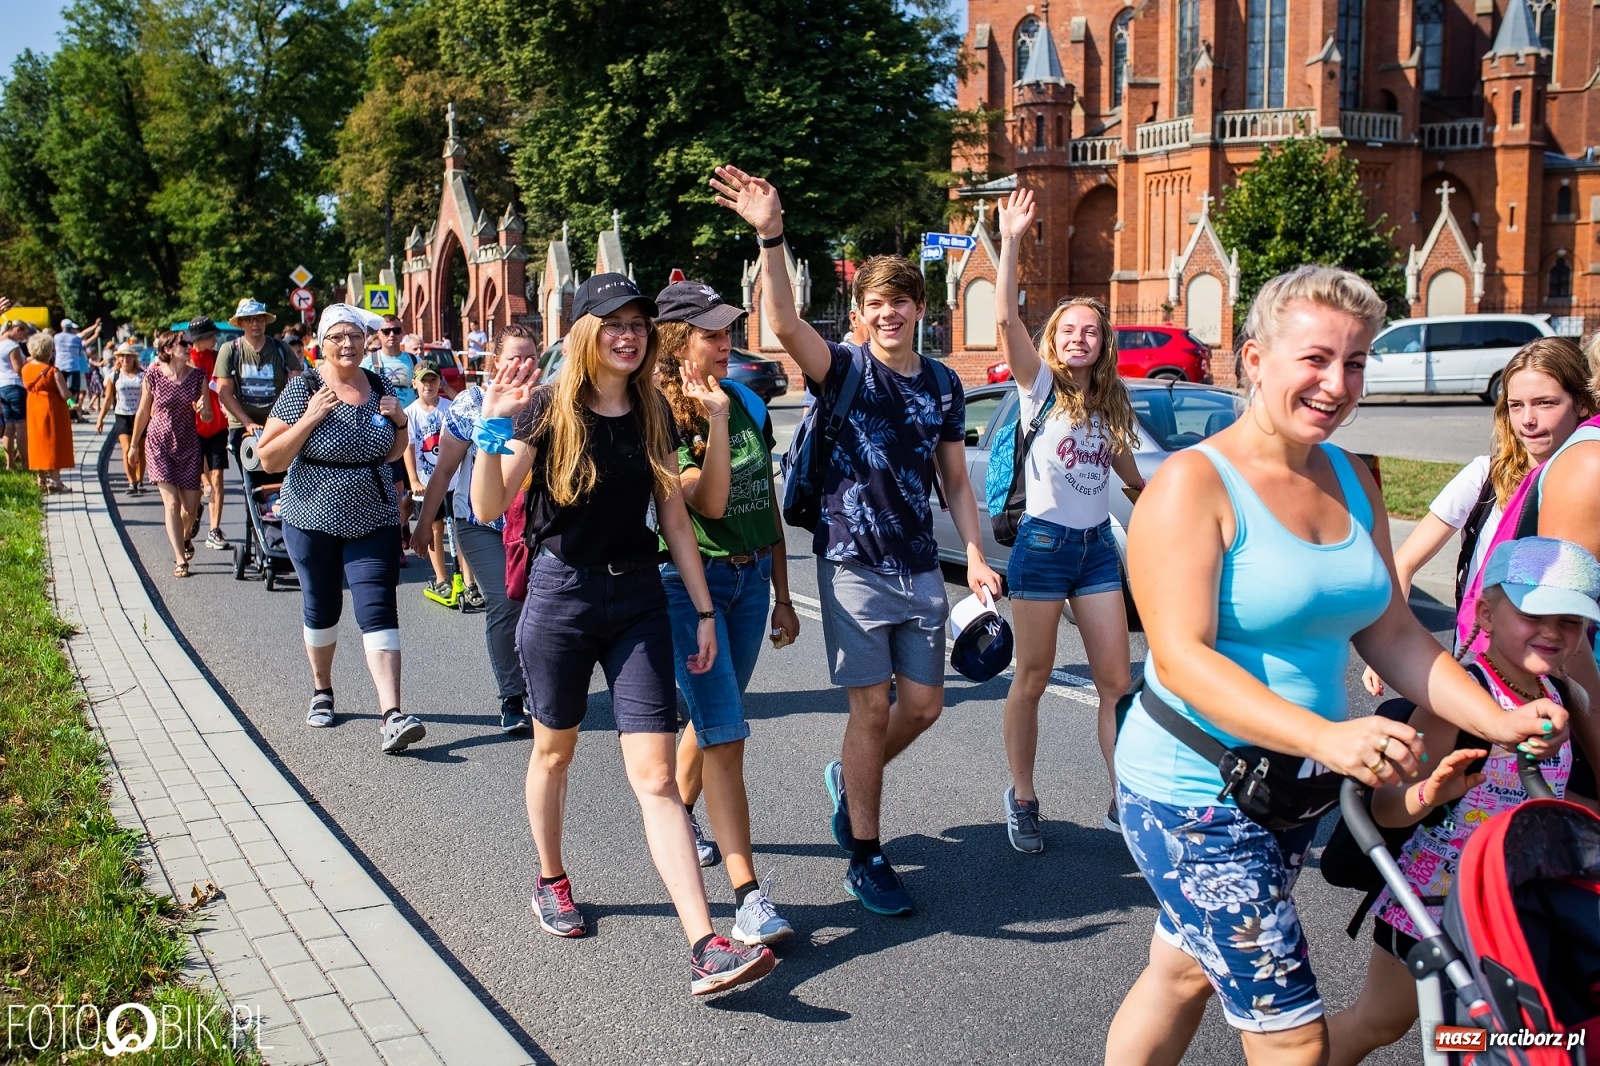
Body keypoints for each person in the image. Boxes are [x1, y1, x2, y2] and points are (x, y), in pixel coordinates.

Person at [1106, 265, 1569, 1066]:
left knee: (1180, 973)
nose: (1336, 383)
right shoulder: (1189, 485)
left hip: (1288, 785)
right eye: (1315, 359)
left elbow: (1390, 630)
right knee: (1296, 1041)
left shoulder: (1353, 477)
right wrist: (1328, 738)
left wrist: (1498, 717)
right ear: (1254, 361)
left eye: (1354, 362)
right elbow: (1180, 659)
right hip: (1196, 792)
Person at [470, 273, 777, 996]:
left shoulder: (650, 415)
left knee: (660, 776)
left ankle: (706, 944)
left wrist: (702, 610)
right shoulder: (545, 410)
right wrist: (491, 425)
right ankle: (550, 878)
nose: (628, 333)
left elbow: (676, 518)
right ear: (584, 331)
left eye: (638, 322)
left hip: (638, 597)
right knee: (555, 750)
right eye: (613, 321)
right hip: (562, 595)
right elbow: (489, 501)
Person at [713, 164, 1003, 917]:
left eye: (900, 303)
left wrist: (971, 552)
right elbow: (781, 326)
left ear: (918, 308)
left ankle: (850, 778)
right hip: (850, 563)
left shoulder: (943, 384)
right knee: (870, 711)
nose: (889, 315)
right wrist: (771, 236)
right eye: (876, 304)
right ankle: (867, 855)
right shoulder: (841, 369)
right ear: (862, 311)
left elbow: (955, 482)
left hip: (918, 568)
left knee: (927, 706)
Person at [1326, 535, 1599, 1066]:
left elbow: (1567, 796)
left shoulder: (1564, 697)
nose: (1552, 632)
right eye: (1533, 614)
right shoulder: (1459, 699)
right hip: (1431, 899)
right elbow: (1383, 809)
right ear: (1487, 615)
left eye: (1569, 621)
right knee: (1382, 1021)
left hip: (1510, 898)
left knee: (1494, 1032)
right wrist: (1432, 792)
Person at [992, 187, 1146, 850]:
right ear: (1054, 341)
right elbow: (1004, 321)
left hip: (1096, 552)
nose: (1079, 338)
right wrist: (1011, 243)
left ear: (1102, 343)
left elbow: (1133, 479)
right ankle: (1022, 797)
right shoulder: (1040, 388)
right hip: (1043, 547)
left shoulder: (1109, 405)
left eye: (1091, 331)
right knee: (1031, 678)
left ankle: (1125, 799)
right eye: (1068, 330)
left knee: (1117, 682)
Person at [654, 279, 800, 945]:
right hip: (691, 588)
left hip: (749, 584)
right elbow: (707, 505)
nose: (725, 343)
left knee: (716, 721)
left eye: (726, 331)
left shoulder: (745, 399)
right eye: (711, 334)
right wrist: (710, 419)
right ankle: (746, 898)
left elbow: (760, 501)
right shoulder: (659, 412)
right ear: (678, 341)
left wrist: (784, 593)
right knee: (726, 732)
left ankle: (674, 815)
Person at [1363, 337, 1594, 695]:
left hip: (1566, 675)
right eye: (1516, 405)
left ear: (1580, 404)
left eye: (1545, 403)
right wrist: (1382, 647)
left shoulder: (1589, 481)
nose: (1528, 420)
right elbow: (1404, 563)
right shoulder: (1484, 476)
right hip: (1482, 674)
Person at [255, 304, 425, 755]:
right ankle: (322, 690)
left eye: (353, 336)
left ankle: (392, 715)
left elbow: (392, 454)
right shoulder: (303, 388)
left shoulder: (382, 386)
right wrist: (311, 416)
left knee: (378, 607)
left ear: (365, 341)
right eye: (337, 337)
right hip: (311, 515)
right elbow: (269, 459)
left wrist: (401, 422)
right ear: (321, 343)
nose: (347, 345)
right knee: (322, 605)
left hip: (373, 514)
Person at [412, 326, 537, 734]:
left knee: (540, 606)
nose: (522, 366)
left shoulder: (546, 403)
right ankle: (511, 698)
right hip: (480, 524)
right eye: (514, 358)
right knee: (505, 600)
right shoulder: (471, 404)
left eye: (530, 358)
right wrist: (423, 523)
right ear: (495, 362)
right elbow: (445, 469)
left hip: (533, 527)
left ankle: (541, 686)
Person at [131, 331, 213, 576]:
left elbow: (207, 416)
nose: (189, 347)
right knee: (172, 503)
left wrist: (203, 409)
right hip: (158, 444)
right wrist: (134, 444)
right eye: (183, 344)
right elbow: (144, 411)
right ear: (167, 349)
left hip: (188, 444)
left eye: (189, 343)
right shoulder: (153, 375)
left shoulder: (198, 376)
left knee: (189, 508)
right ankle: (180, 559)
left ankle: (186, 535)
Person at [215, 298, 304, 462]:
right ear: (241, 323)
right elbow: (224, 392)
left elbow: (297, 381)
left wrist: (286, 413)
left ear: (265, 321)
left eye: (259, 318)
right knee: (250, 476)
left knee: (279, 473)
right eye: (249, 319)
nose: (255, 323)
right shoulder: (230, 350)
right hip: (242, 422)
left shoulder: (280, 348)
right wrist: (248, 423)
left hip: (276, 420)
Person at [362, 314, 417, 563]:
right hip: (388, 431)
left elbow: (431, 387)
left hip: (414, 429)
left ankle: (403, 525)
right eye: (386, 331)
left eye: (396, 330)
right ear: (379, 335)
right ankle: (395, 543)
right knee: (397, 490)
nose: (392, 335)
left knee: (413, 493)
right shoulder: (369, 362)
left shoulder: (413, 360)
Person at [403, 361, 458, 607]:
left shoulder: (449, 407)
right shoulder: (410, 413)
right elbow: (409, 446)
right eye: (423, 381)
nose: (429, 385)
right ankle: (441, 578)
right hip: (426, 480)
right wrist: (413, 479)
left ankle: (467, 581)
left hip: (454, 480)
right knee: (435, 528)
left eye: (433, 380)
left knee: (457, 529)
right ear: (414, 383)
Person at [184, 317, 231, 551]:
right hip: (192, 429)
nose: (215, 339)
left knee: (218, 478)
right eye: (211, 336)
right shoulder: (186, 360)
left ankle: (214, 529)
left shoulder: (217, 358)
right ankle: (195, 512)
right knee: (195, 482)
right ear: (199, 339)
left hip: (218, 427)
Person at [23, 331, 73, 493]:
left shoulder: (25, 369)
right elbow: (65, 395)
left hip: (33, 408)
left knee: (38, 442)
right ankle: (55, 481)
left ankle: (41, 479)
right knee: (54, 443)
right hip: (52, 410)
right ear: (48, 350)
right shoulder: (53, 371)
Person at [95, 342, 146, 494]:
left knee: (140, 450)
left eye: (128, 356)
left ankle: (140, 479)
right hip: (122, 415)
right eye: (122, 356)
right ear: (118, 358)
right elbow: (108, 398)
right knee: (126, 449)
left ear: (133, 358)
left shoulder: (142, 375)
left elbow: (148, 397)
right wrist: (100, 419)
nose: (125, 359)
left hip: (139, 415)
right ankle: (131, 482)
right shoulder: (114, 376)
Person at [53, 317, 101, 420]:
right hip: (73, 366)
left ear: (62, 327)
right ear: (71, 328)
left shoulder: (56, 337)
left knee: (60, 388)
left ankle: (65, 408)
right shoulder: (76, 339)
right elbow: (80, 351)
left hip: (60, 365)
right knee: (74, 390)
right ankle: (71, 407)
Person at [0, 318, 30, 471]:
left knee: (8, 426)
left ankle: (9, 463)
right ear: (17, 329)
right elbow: (18, 369)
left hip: (2, 387)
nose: (22, 339)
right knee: (21, 426)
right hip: (15, 386)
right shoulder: (13, 346)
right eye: (22, 335)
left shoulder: (0, 343)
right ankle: (25, 463)